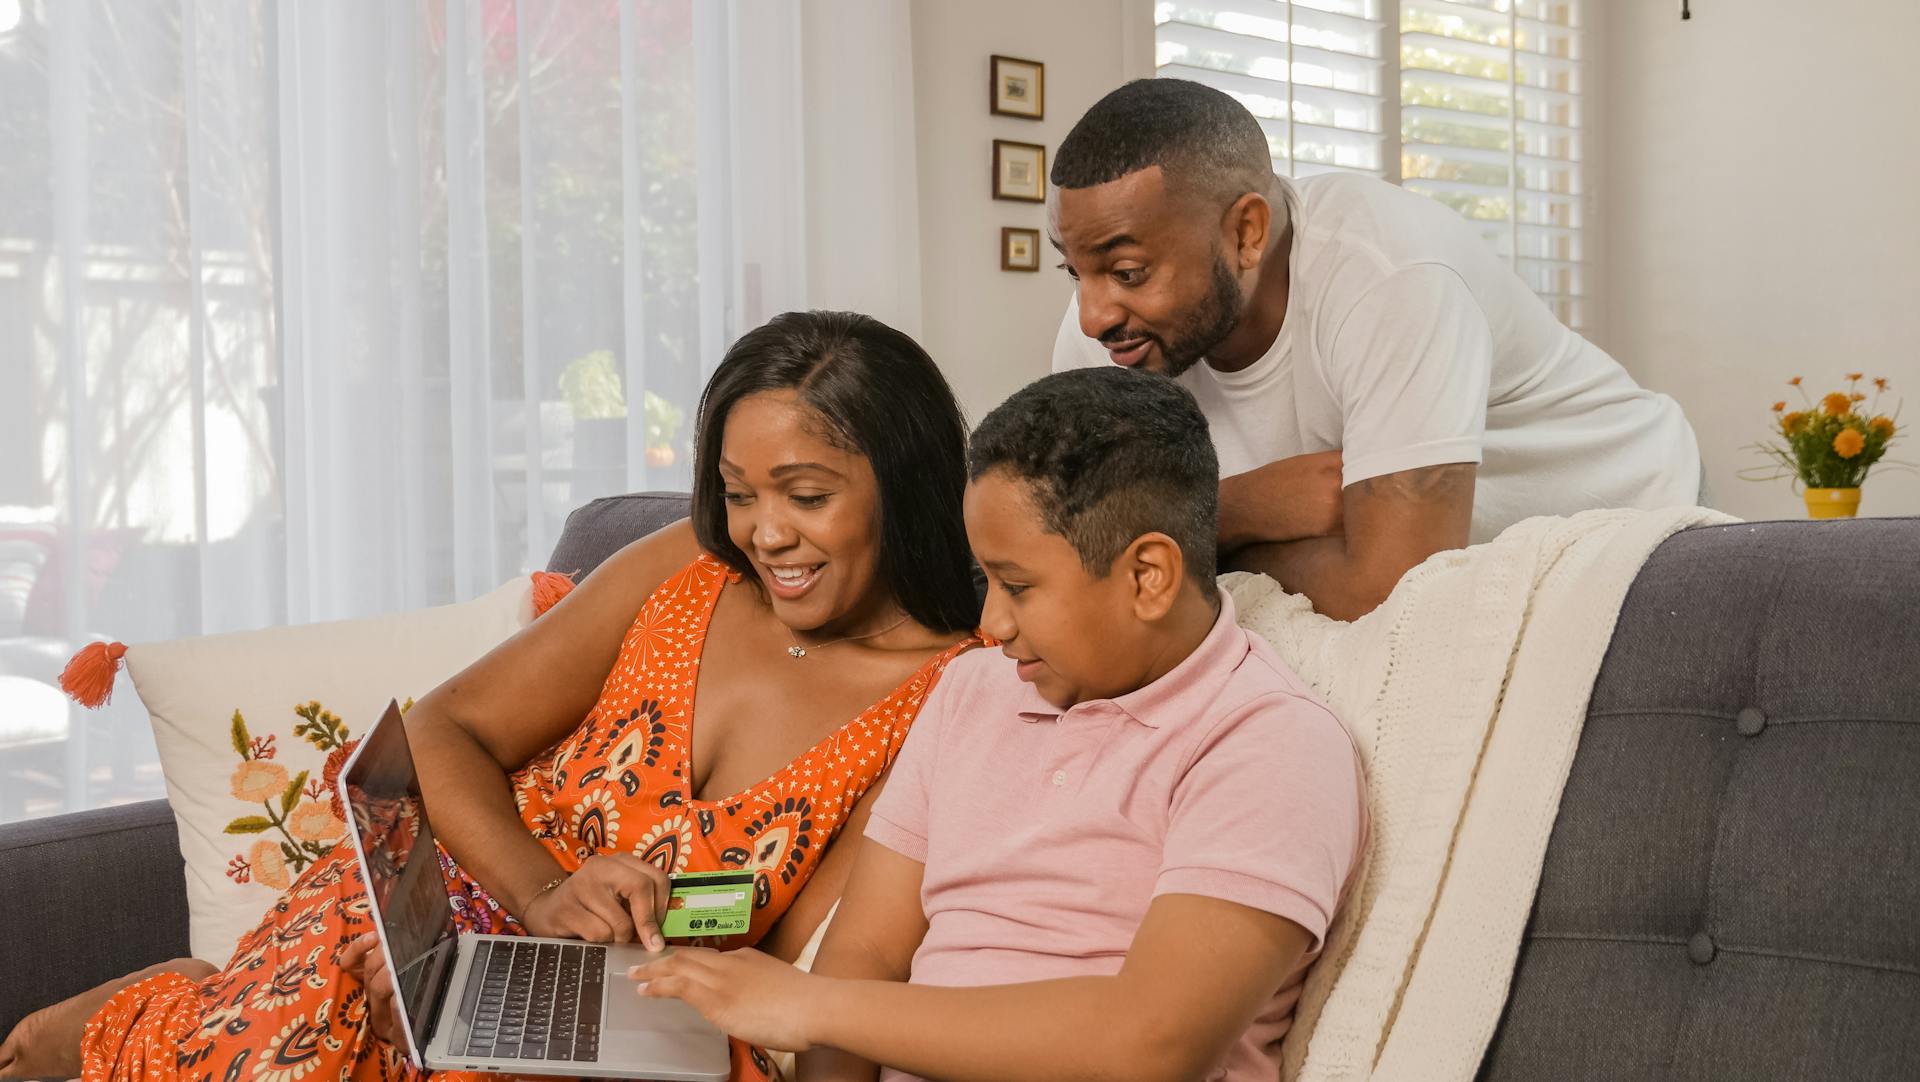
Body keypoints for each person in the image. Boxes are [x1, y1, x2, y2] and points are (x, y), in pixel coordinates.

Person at [0, 311, 982, 1082]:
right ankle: (183, 1014)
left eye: (805, 495)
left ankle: (186, 1015)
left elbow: (800, 949)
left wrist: (568, 961)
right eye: (738, 490)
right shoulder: (689, 565)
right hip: (474, 884)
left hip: (631, 996)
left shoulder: (949, 693)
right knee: (332, 999)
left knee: (432, 1043)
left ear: (906, 485)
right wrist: (539, 896)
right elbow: (445, 729)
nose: (764, 533)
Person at [630, 368, 1367, 1082]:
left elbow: (1152, 1041)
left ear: (1148, 577)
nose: (991, 623)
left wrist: (811, 1007)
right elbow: (867, 954)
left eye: (1017, 586)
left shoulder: (1269, 744)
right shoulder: (973, 689)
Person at [1049, 78, 1702, 620]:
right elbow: (1069, 546)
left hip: (1640, 531)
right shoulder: (1108, 334)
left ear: (1247, 233)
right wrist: (1244, 505)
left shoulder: (1390, 273)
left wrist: (1179, 528)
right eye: (1076, 272)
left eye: (1129, 272)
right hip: (1481, 568)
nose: (1094, 314)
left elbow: (1394, 591)